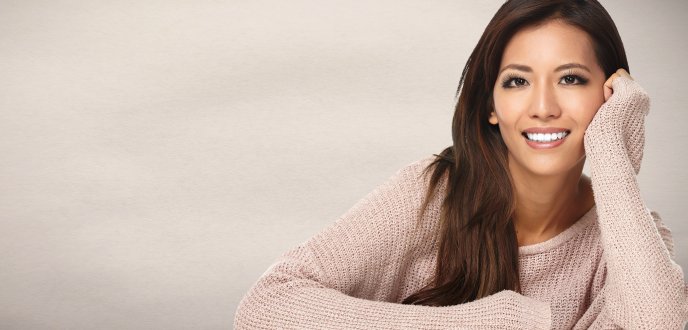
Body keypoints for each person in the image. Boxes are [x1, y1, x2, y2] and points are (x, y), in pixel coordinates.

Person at [233, 0, 688, 329]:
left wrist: (611, 155)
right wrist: (494, 322)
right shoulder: (433, 193)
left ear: (608, 96)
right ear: (491, 105)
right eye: (517, 82)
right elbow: (266, 307)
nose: (543, 106)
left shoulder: (632, 239)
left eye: (571, 79)